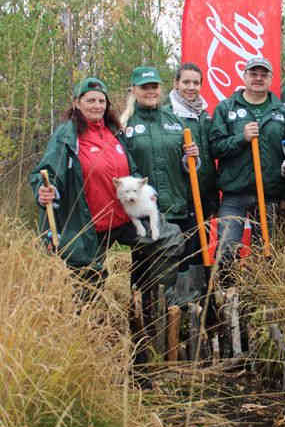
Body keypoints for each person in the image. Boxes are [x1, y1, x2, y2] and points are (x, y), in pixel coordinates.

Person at [30, 76, 181, 365]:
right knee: (88, 285)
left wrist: (145, 193)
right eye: (90, 100)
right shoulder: (67, 135)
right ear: (77, 103)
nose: (97, 105)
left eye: (101, 100)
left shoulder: (114, 134)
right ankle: (86, 352)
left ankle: (147, 301)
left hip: (124, 219)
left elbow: (132, 172)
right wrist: (44, 191)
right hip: (86, 225)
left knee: (168, 238)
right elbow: (44, 173)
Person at [120, 66, 198, 308]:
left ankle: (177, 320)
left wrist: (192, 158)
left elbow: (191, 164)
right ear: (133, 90)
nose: (150, 91)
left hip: (176, 205)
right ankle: (143, 321)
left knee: (178, 261)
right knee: (143, 265)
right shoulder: (125, 125)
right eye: (144, 87)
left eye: (154, 86)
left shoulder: (175, 122)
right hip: (143, 209)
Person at [209, 56, 285, 264]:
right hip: (234, 193)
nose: (258, 78)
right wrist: (241, 139)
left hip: (269, 194)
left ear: (271, 78)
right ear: (244, 76)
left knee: (267, 251)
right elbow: (215, 148)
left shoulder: (282, 111)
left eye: (263, 74)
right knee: (226, 248)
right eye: (253, 74)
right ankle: (227, 293)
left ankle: (260, 293)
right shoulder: (226, 108)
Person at [166, 62, 218, 299]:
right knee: (183, 247)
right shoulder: (169, 115)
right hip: (182, 194)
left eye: (196, 83)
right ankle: (181, 300)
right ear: (176, 84)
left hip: (204, 193)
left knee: (201, 245)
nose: (191, 87)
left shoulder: (204, 115)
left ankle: (200, 298)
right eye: (186, 82)